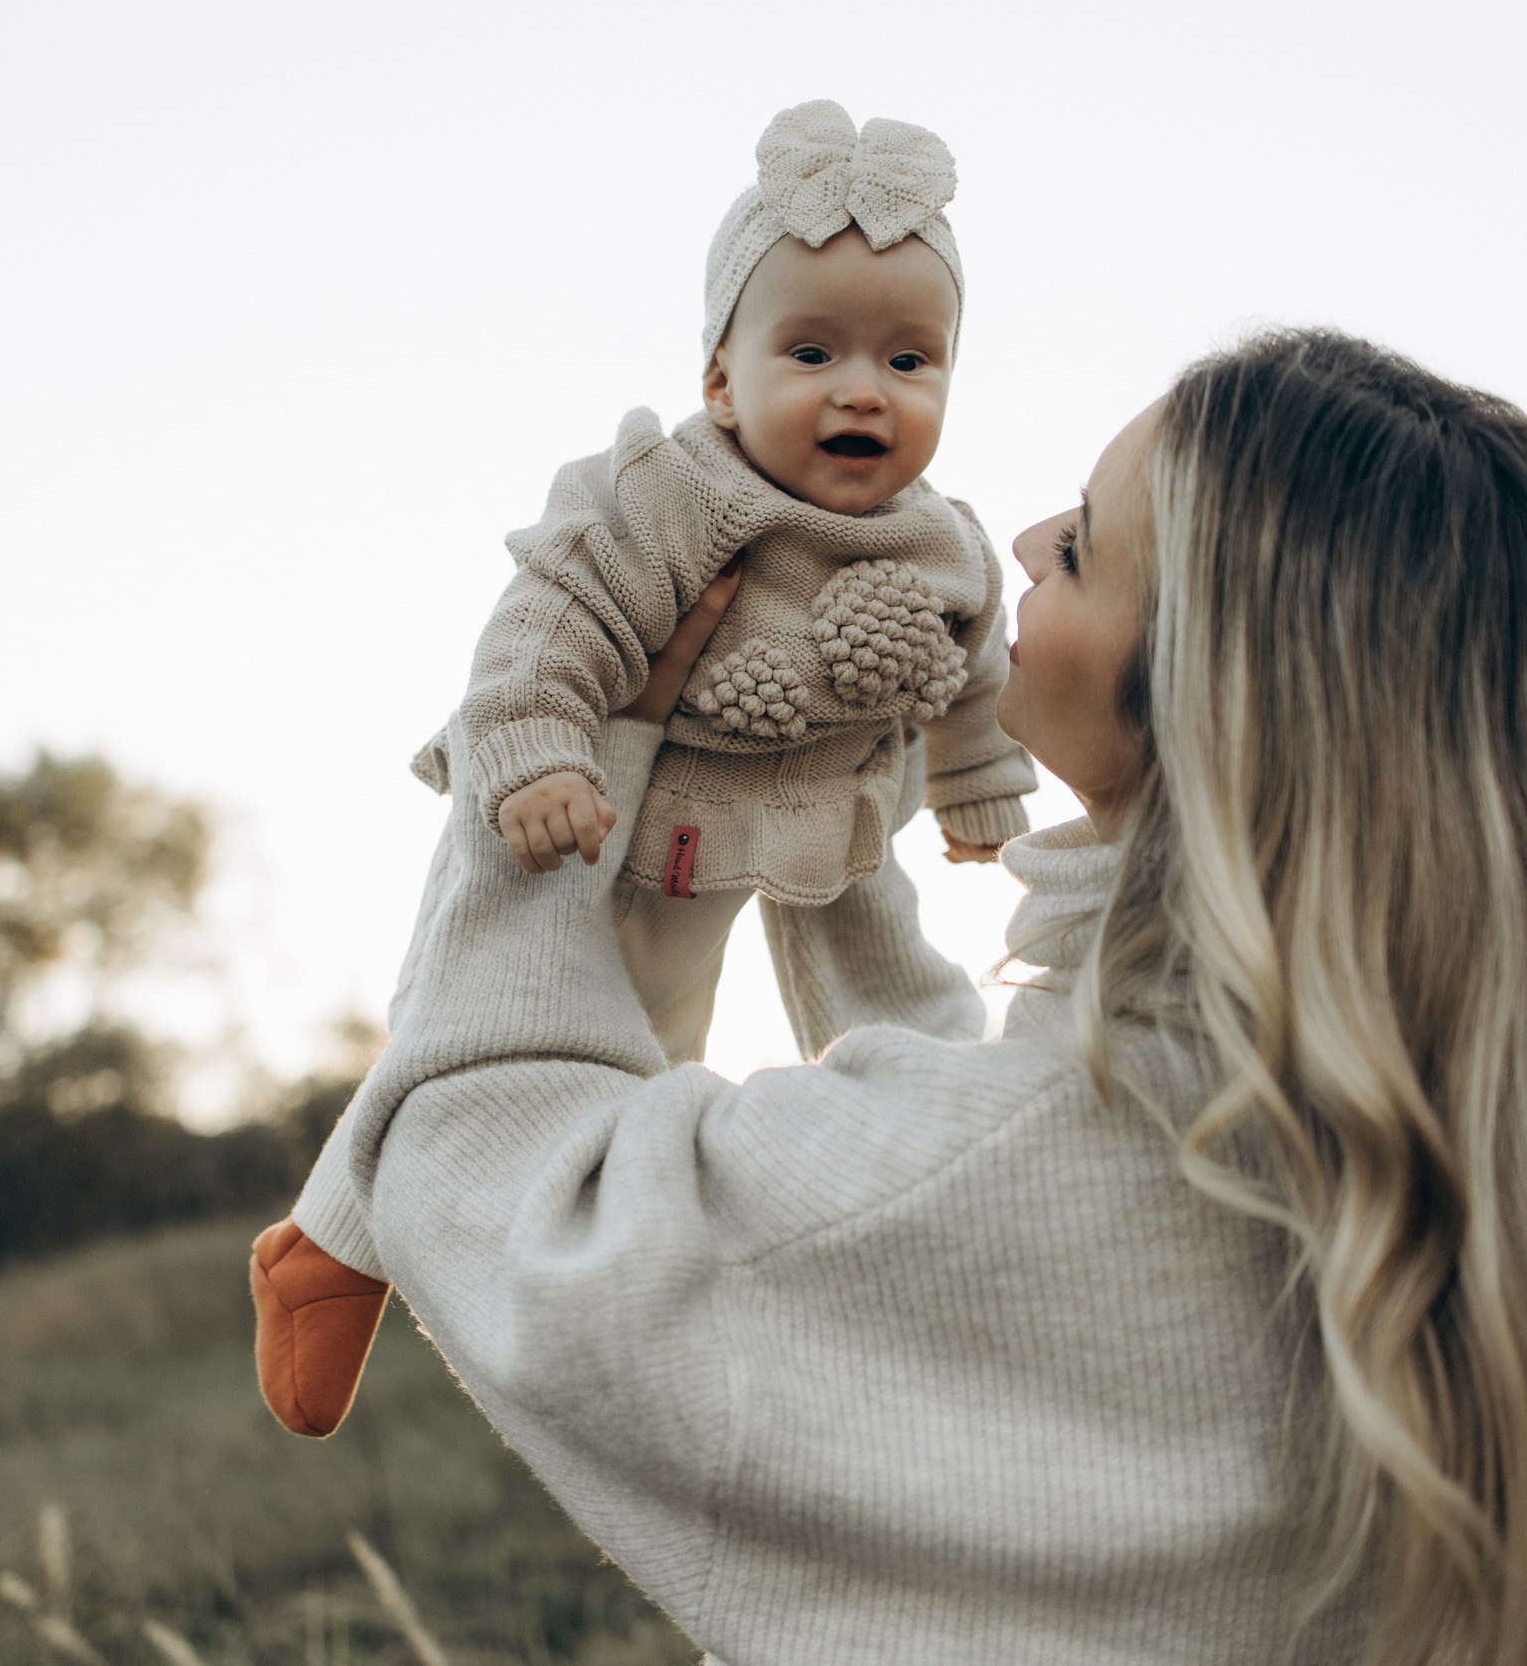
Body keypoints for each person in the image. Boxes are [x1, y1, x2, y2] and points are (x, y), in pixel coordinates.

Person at [257, 328, 1527, 1665]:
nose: (1013, 549)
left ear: (1216, 698)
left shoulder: (1063, 1158)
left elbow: (493, 1180)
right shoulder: (1508, 1183)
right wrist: (839, 839)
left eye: (1079, 546)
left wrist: (556, 760)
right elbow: (978, 1165)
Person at [252, 98, 1035, 1438]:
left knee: (891, 996)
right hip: (631, 818)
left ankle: (976, 1157)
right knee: (522, 1025)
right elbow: (545, 632)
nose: (865, 389)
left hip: (838, 820)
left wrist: (978, 795)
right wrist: (544, 758)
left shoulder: (946, 542)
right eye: (813, 349)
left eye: (913, 360)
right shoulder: (676, 498)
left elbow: (977, 681)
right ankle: (332, 1246)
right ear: (723, 377)